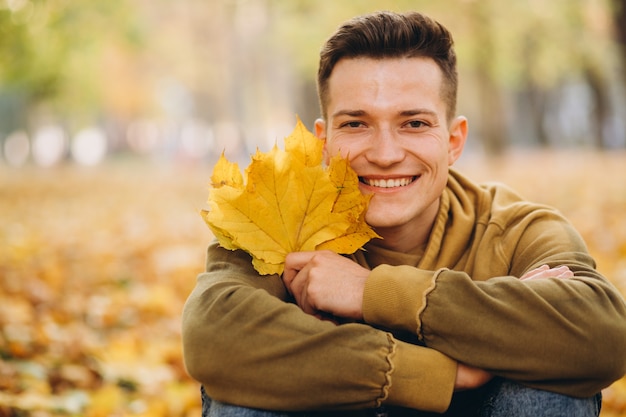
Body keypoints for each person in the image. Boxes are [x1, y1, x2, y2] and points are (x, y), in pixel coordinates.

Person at [182, 10, 626, 417]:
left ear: (453, 140)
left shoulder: (513, 229)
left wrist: (372, 292)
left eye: (414, 123)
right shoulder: (276, 225)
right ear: (323, 141)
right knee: (241, 393)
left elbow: (603, 335)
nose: (386, 153)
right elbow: (214, 335)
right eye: (356, 123)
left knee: (552, 386)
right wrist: (445, 373)